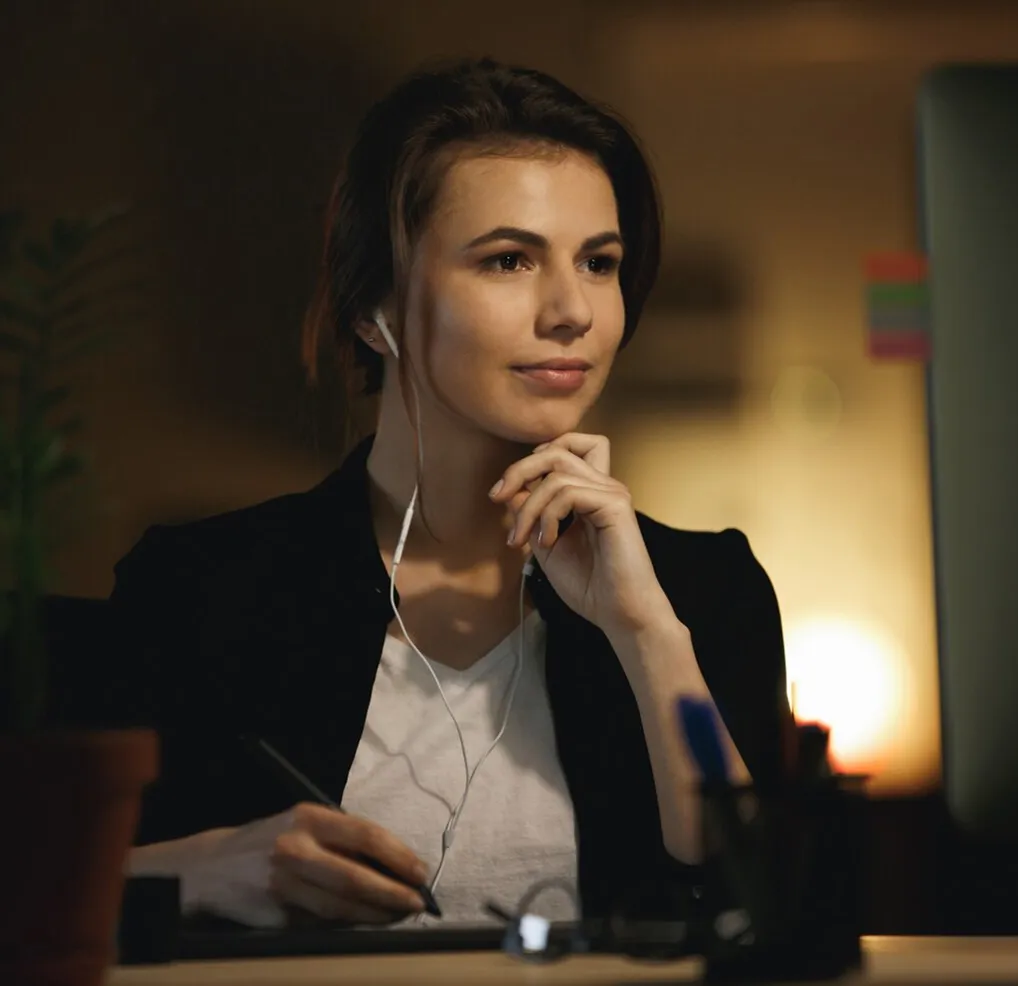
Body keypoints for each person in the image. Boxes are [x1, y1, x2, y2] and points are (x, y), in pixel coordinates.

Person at [114, 56, 790, 930]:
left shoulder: (703, 590)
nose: (572, 310)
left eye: (599, 262)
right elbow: (51, 891)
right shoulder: (203, 588)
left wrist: (649, 635)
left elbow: (760, 890)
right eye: (509, 260)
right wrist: (200, 870)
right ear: (374, 310)